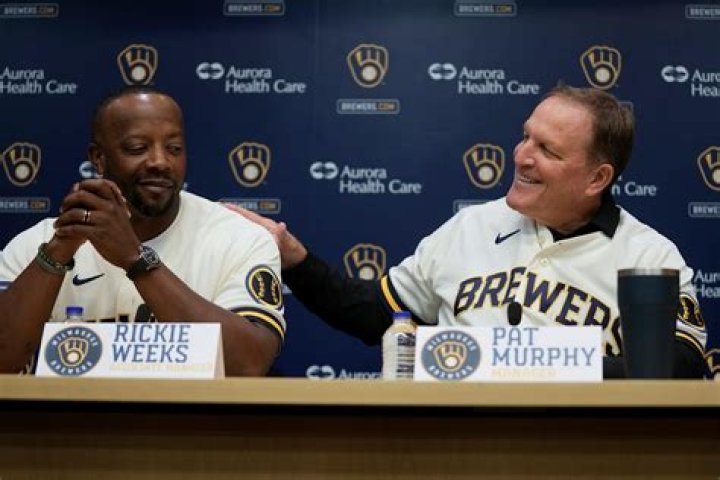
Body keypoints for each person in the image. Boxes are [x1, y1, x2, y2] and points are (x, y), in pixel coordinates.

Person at [233, 85, 707, 378]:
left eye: (548, 150)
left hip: (583, 450)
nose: (521, 156)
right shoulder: (471, 226)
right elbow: (378, 314)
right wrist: (295, 260)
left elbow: (682, 364)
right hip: (455, 445)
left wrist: (537, 365)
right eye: (526, 136)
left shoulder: (649, 254)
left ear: (596, 179)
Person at [0, 86, 285, 376]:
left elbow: (248, 365)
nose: (160, 162)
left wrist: (135, 259)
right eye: (137, 148)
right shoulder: (37, 244)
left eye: (174, 148)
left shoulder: (240, 239)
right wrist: (58, 252)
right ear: (98, 158)